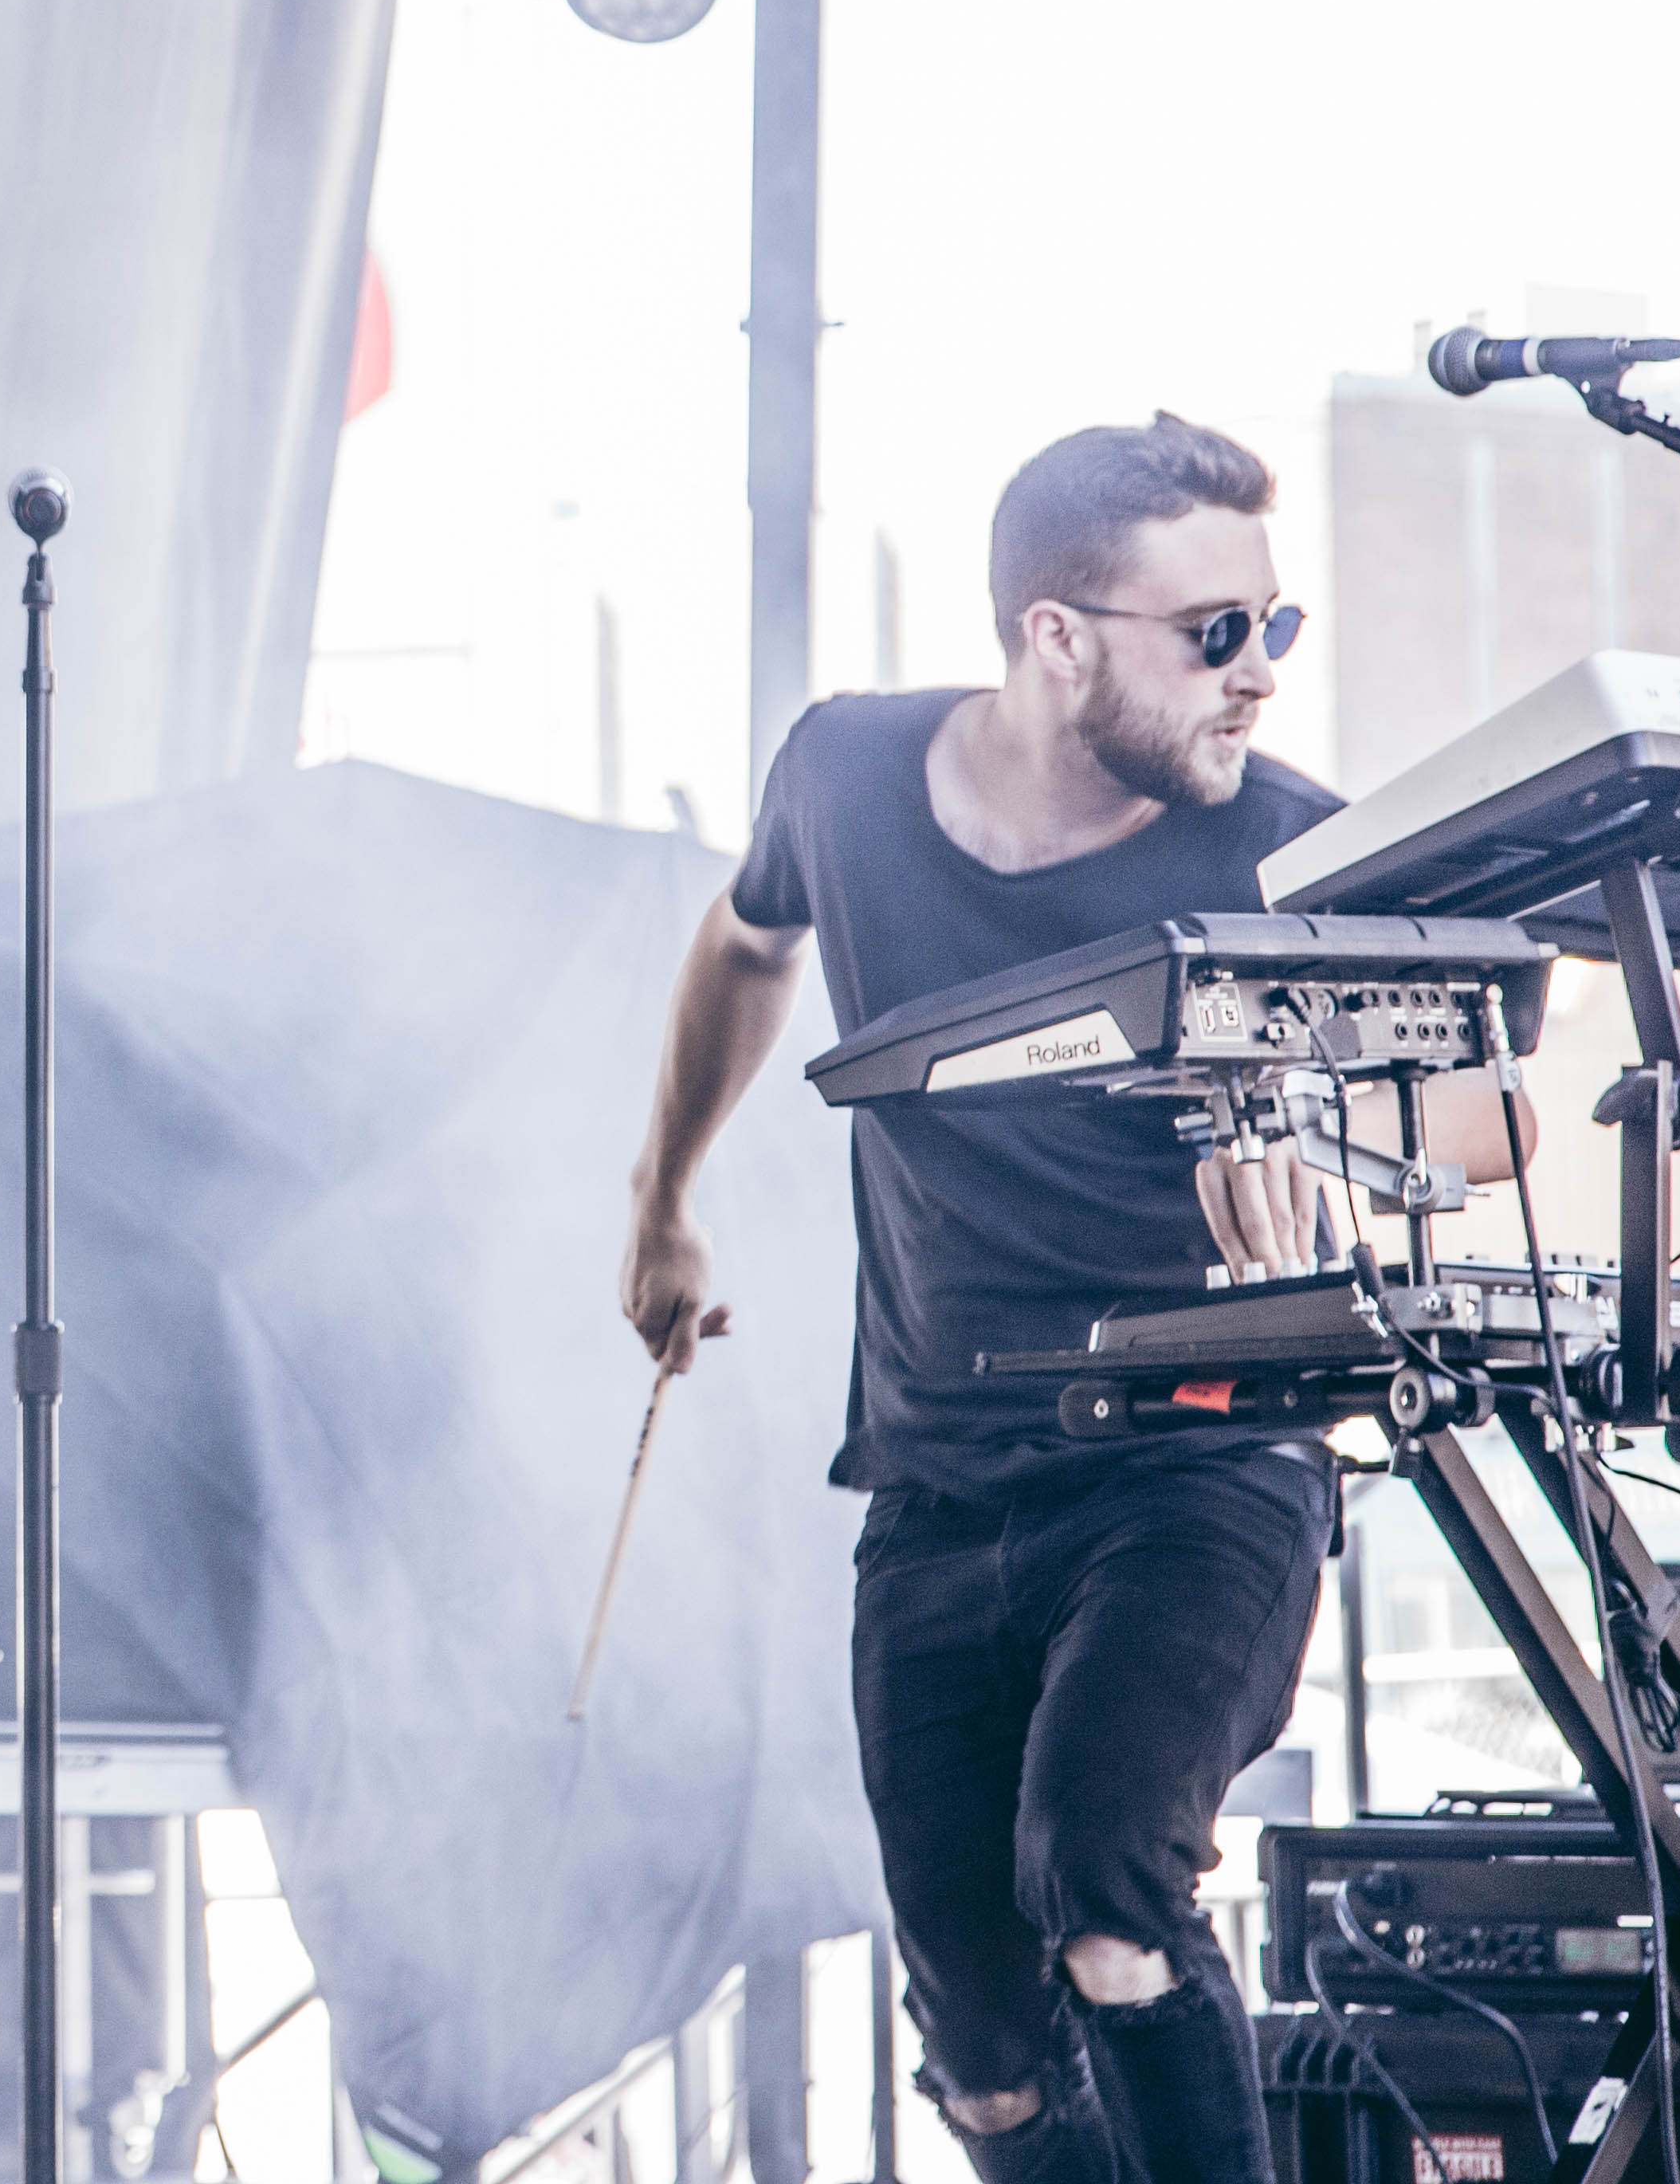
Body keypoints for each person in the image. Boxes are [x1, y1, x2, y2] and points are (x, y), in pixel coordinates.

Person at [618, 413, 1521, 2184]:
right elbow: (744, 943)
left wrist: (1312, 1118)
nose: (1258, 672)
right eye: (1213, 633)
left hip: (1201, 1468)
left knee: (1105, 1890)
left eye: (1275, 624)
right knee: (983, 2059)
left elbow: (1496, 1107)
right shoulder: (842, 777)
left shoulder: (1292, 854)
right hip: (938, 1484)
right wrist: (661, 1200)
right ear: (1053, 636)